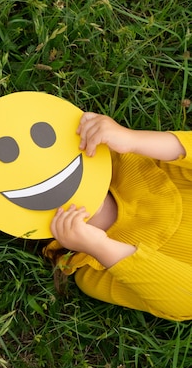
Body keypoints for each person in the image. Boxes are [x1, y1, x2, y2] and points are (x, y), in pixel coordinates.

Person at [44, 111, 192, 321]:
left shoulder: (94, 274)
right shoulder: (93, 272)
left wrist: (99, 246)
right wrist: (132, 139)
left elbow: (186, 301)